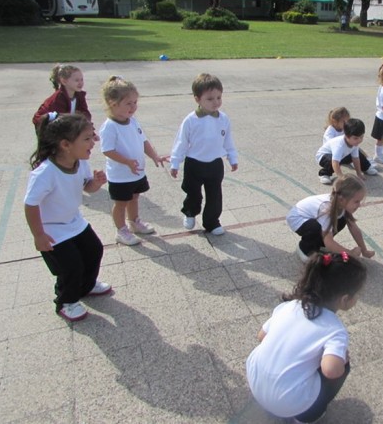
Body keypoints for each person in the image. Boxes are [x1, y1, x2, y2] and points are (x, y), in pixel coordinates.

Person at [246, 251, 367, 423]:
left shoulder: (290, 305)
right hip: (286, 403)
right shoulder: (335, 330)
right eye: (357, 295)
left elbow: (261, 336)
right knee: (342, 364)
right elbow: (331, 371)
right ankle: (307, 416)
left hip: (255, 381)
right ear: (345, 299)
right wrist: (341, 361)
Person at [24, 113, 111, 322]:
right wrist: (39, 235)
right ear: (65, 144)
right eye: (87, 139)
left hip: (73, 221)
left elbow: (86, 187)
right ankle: (66, 301)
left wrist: (96, 183)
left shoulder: (80, 162)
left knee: (94, 250)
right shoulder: (45, 173)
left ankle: (86, 286)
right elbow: (30, 204)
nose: (93, 142)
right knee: (71, 266)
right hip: (52, 229)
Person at [99, 76, 169, 246]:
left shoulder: (133, 121)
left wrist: (155, 156)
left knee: (135, 197)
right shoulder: (110, 126)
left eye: (135, 102)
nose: (133, 107)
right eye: (128, 103)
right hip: (120, 176)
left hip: (136, 172)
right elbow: (107, 150)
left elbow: (143, 141)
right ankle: (121, 231)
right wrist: (127, 162)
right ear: (112, 103)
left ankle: (134, 222)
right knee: (121, 203)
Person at [170, 73, 238, 235]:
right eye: (210, 99)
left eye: (219, 97)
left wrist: (232, 157)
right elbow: (181, 142)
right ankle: (190, 212)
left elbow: (228, 140)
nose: (216, 102)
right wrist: (175, 162)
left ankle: (212, 222)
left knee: (215, 195)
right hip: (194, 163)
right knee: (193, 193)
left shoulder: (223, 119)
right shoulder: (191, 120)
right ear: (197, 99)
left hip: (215, 164)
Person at [286, 174, 375, 262]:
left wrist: (364, 251)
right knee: (316, 228)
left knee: (341, 220)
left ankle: (319, 244)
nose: (359, 205)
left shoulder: (341, 203)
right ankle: (304, 249)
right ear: (342, 199)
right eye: (356, 201)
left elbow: (354, 228)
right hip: (297, 218)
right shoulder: (326, 209)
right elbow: (329, 242)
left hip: (311, 217)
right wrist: (351, 254)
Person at [32, 64, 91, 131]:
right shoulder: (58, 98)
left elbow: (85, 114)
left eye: (82, 80)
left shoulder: (80, 95)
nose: (80, 83)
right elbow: (60, 122)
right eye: (77, 80)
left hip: (64, 125)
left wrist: (90, 131)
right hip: (45, 126)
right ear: (64, 81)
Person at [316, 118, 376, 185]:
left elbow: (356, 159)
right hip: (324, 156)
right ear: (347, 136)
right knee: (331, 161)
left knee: (359, 155)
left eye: (361, 137)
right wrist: (341, 177)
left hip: (341, 156)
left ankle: (366, 167)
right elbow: (335, 162)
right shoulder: (339, 145)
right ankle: (324, 174)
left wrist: (359, 173)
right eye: (356, 138)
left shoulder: (354, 143)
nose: (359, 140)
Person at [323, 107, 376, 175]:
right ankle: (324, 174)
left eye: (348, 121)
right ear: (335, 121)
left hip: (345, 151)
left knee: (356, 149)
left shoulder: (344, 128)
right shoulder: (329, 132)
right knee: (331, 162)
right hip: (333, 153)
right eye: (344, 122)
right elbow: (332, 146)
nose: (346, 123)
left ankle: (367, 165)